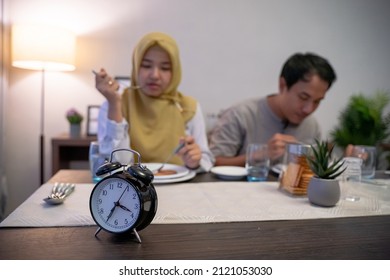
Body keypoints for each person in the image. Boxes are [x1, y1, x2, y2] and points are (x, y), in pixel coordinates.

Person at [94, 32, 214, 172]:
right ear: (136, 67)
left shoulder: (188, 107)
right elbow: (116, 164)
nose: (155, 75)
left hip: (180, 187)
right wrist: (114, 104)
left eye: (165, 68)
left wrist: (195, 161)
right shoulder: (115, 104)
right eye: (146, 65)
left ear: (175, 71)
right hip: (131, 189)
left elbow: (206, 160)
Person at [209, 52, 337, 166]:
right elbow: (214, 161)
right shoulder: (241, 114)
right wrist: (260, 154)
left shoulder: (312, 125)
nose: (308, 109)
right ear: (282, 85)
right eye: (303, 97)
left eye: (317, 101)